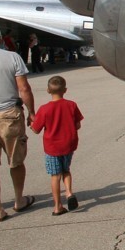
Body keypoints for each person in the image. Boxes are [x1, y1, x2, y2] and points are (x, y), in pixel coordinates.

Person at [30, 75, 84, 216]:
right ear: (65, 90)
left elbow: (36, 130)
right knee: (66, 170)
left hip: (52, 147)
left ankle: (57, 206)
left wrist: (31, 124)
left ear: (48, 90)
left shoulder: (44, 109)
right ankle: (69, 192)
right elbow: (77, 125)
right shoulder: (71, 105)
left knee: (55, 175)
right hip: (68, 144)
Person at [0, 41, 37, 220]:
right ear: (0, 40)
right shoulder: (12, 57)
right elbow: (24, 88)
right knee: (16, 161)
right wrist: (32, 112)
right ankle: (19, 200)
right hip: (9, 115)